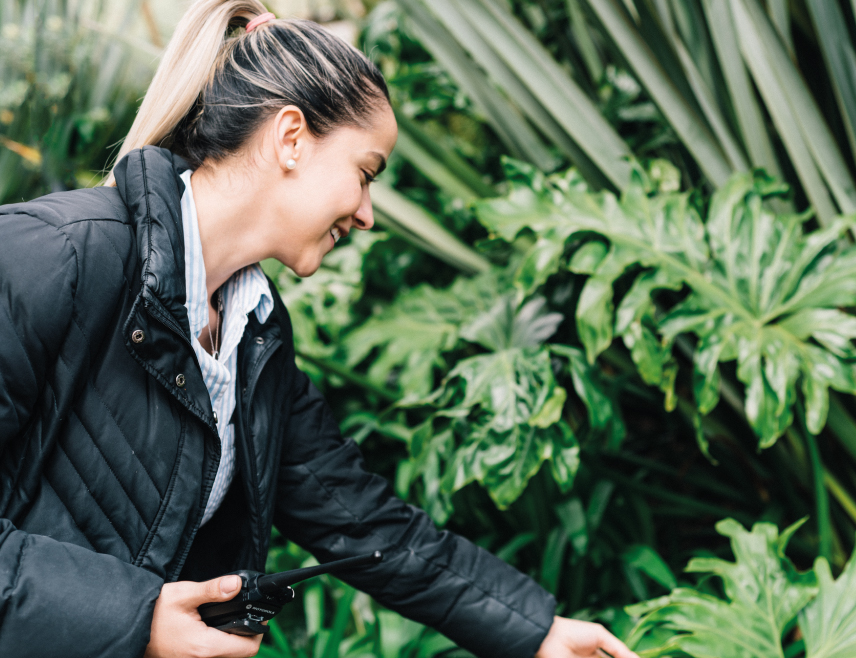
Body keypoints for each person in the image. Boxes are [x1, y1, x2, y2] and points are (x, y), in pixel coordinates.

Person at [0, 2, 641, 657]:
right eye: (364, 174)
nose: (367, 214)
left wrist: (538, 634)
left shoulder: (254, 334)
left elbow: (361, 523)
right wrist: (136, 619)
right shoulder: (51, 256)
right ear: (291, 138)